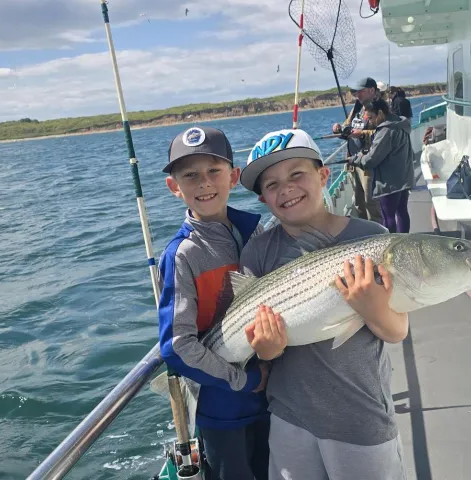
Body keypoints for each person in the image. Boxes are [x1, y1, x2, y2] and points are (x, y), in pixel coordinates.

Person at [237, 127, 409, 480]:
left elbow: (397, 330)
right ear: (262, 200)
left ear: (324, 174)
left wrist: (373, 309)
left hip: (360, 417)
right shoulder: (257, 251)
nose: (285, 188)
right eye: (271, 185)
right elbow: (260, 350)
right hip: (288, 417)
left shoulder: (372, 238)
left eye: (296, 173)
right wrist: (266, 351)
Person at [157, 126, 270, 480]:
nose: (204, 183)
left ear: (233, 177)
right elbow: (177, 345)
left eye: (214, 171)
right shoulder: (181, 255)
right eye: (190, 176)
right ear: (175, 187)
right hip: (224, 409)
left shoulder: (257, 231)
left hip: (275, 397)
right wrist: (241, 379)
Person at [349, 99, 415, 233]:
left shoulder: (385, 131)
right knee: (402, 211)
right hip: (404, 177)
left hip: (389, 182)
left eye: (371, 118)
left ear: (380, 113)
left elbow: (371, 160)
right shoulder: (401, 123)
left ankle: (390, 247)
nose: (370, 122)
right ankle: (404, 242)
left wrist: (355, 159)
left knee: (387, 216)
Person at [331, 77, 383, 224]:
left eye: (361, 91)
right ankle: (365, 231)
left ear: (372, 90)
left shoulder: (380, 108)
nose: (357, 95)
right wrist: (340, 129)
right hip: (354, 161)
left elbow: (384, 134)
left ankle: (379, 234)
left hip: (368, 161)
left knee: (371, 202)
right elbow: (348, 124)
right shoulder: (357, 107)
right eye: (356, 92)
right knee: (359, 201)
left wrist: (361, 134)